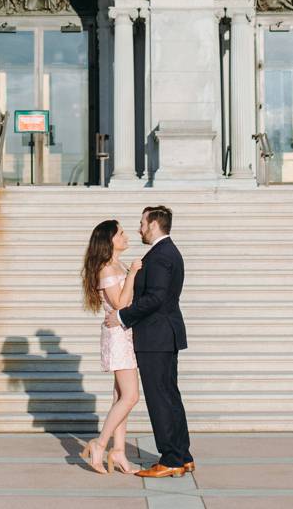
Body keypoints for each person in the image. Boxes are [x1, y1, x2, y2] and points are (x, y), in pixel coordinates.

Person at [106, 204, 194, 478]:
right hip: (165, 334)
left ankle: (170, 459)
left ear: (154, 224)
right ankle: (183, 455)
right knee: (169, 395)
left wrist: (122, 316)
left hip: (155, 337)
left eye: (142, 223)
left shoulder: (159, 256)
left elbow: (155, 298)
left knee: (159, 399)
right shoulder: (168, 252)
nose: (139, 228)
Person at [79, 219, 143, 474]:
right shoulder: (107, 269)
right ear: (110, 240)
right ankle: (100, 443)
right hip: (118, 336)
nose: (126, 236)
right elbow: (119, 303)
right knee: (131, 396)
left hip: (125, 333)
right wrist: (134, 274)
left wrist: (130, 272)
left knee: (120, 396)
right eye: (121, 233)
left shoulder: (117, 264)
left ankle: (118, 451)